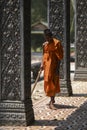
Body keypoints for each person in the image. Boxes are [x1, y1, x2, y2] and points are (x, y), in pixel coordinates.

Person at [40, 29, 63, 110]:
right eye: (46, 37)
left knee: (53, 83)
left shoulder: (57, 43)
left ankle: (52, 101)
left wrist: (57, 69)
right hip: (46, 67)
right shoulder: (44, 45)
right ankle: (51, 100)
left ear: (51, 36)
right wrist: (42, 64)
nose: (47, 39)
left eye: (48, 38)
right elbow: (43, 55)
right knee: (48, 83)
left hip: (54, 67)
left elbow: (59, 57)